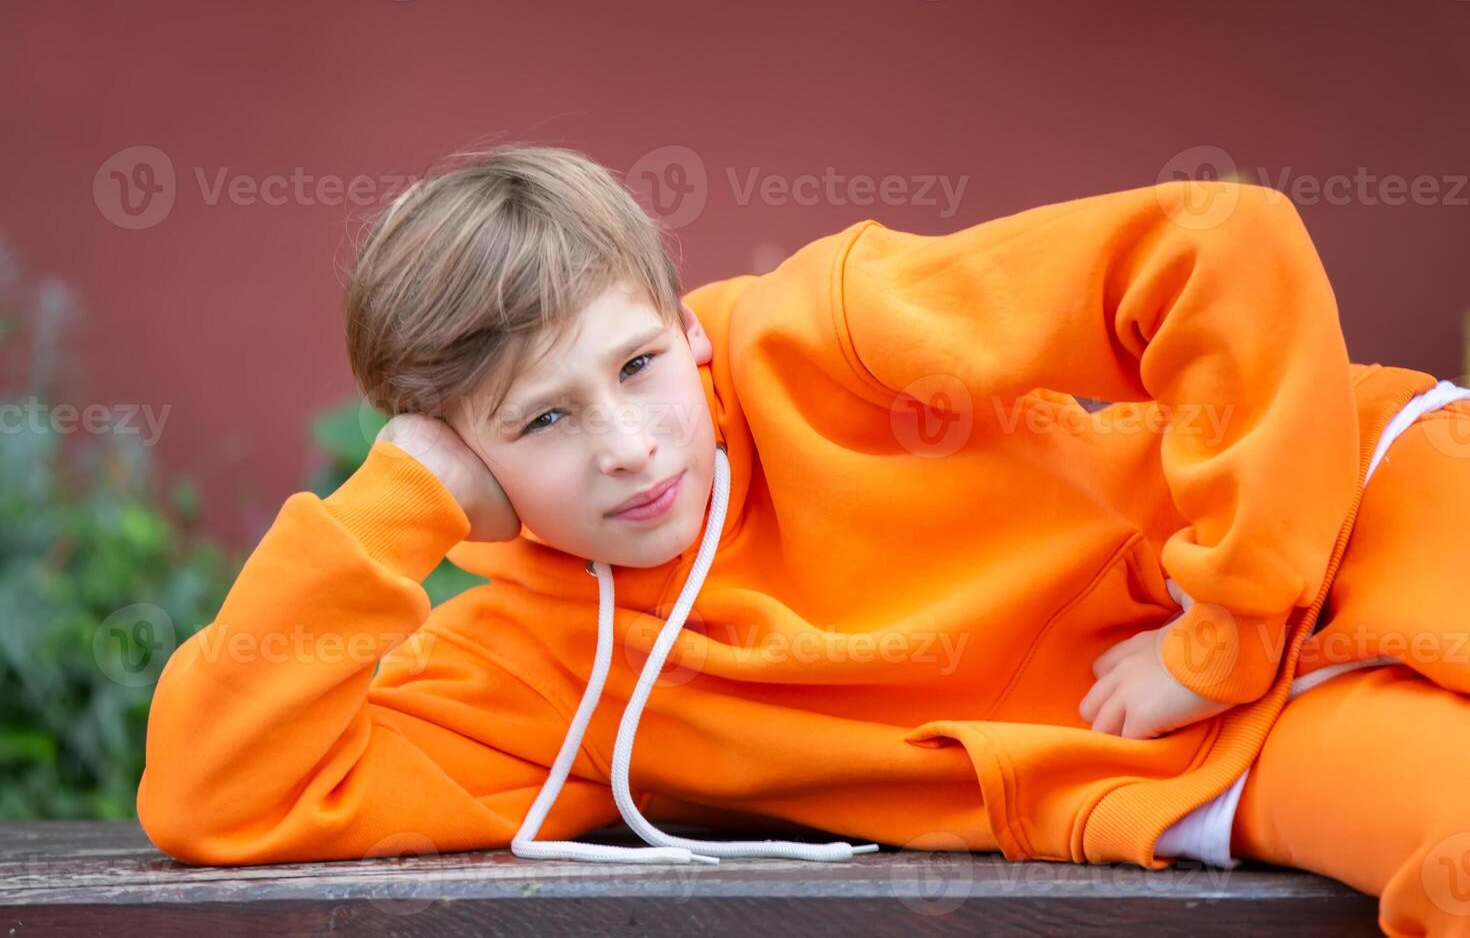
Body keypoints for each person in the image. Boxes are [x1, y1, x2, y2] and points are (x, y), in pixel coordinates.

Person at [137, 143, 1470, 934]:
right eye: (540, 419)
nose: (628, 446)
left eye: (638, 365)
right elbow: (219, 797)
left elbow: (1218, 243)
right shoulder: (541, 672)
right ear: (461, 457)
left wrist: (1225, 623)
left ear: (688, 321)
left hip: (1370, 513)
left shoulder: (823, 333)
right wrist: (396, 500)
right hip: (1224, 763)